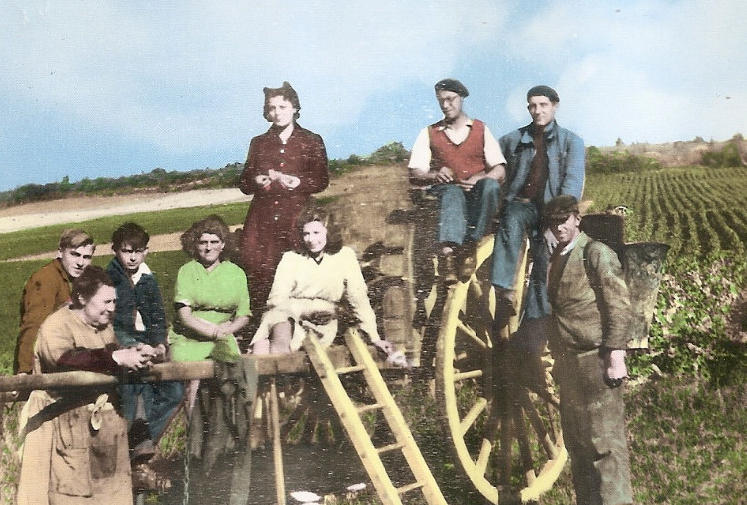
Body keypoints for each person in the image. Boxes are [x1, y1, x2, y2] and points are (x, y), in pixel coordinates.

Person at [15, 266, 155, 505]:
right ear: (81, 298)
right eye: (106, 302)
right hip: (64, 427)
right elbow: (67, 360)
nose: (112, 308)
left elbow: (110, 356)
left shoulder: (103, 326)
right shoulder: (57, 326)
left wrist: (138, 354)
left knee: (109, 501)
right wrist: (116, 356)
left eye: (114, 301)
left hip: (102, 427)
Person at [538, 195, 634, 505]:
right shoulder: (556, 257)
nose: (559, 227)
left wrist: (616, 353)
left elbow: (618, 304)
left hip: (596, 354)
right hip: (568, 359)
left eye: (565, 219)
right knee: (577, 438)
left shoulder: (595, 253)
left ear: (577, 219)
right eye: (553, 222)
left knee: (603, 435)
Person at [492, 85, 585, 326]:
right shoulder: (513, 140)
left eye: (543, 105)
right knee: (510, 216)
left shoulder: (571, 142)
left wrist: (556, 221)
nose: (537, 111)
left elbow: (572, 185)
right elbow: (493, 164)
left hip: (553, 211)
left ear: (555, 106)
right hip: (523, 207)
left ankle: (534, 324)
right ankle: (503, 290)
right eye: (532, 106)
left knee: (544, 258)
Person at [251, 205, 394, 358]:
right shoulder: (291, 258)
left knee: (267, 343)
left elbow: (358, 298)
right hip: (292, 319)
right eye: (306, 234)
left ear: (328, 232)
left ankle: (277, 368)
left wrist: (375, 337)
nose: (311, 240)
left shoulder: (345, 256)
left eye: (316, 233)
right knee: (274, 325)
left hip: (324, 323)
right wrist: (307, 309)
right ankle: (279, 366)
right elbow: (277, 300)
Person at [239, 81, 330, 314]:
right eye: (272, 108)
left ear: (295, 108)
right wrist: (257, 180)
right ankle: (264, 321)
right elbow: (244, 183)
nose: (277, 113)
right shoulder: (258, 143)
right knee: (261, 269)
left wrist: (299, 182)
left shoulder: (311, 140)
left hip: (297, 215)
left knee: (298, 264)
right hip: (263, 217)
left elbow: (321, 180)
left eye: (282, 106)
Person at [168, 215, 251, 468]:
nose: (208, 247)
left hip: (224, 335)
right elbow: (185, 315)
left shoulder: (236, 273)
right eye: (203, 241)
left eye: (214, 241)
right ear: (195, 244)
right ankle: (194, 449)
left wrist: (227, 331)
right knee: (193, 384)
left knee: (233, 381)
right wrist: (214, 332)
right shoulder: (187, 271)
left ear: (223, 244)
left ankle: (225, 446)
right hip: (190, 336)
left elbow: (244, 315)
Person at [407, 78, 505, 281]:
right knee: (452, 192)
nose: (445, 105)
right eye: (441, 101)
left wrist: (483, 177)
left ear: (461, 99)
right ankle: (449, 253)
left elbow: (500, 169)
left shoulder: (481, 129)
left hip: (476, 197)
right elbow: (415, 172)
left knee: (490, 186)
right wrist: (434, 174)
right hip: (446, 195)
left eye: (450, 99)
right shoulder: (429, 133)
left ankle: (470, 245)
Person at [106, 222, 185, 469]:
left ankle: (143, 436)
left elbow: (158, 316)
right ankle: (131, 441)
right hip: (123, 344)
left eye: (138, 251)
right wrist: (131, 346)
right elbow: (111, 323)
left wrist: (160, 344)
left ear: (146, 252)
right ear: (116, 251)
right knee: (133, 389)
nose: (132, 257)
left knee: (174, 392)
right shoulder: (110, 278)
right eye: (127, 251)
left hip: (150, 344)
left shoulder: (148, 279)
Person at [13, 228, 95, 374]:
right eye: (74, 254)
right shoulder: (46, 279)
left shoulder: (78, 279)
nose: (80, 262)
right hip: (44, 363)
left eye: (86, 257)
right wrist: (24, 372)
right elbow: (32, 326)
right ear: (60, 252)